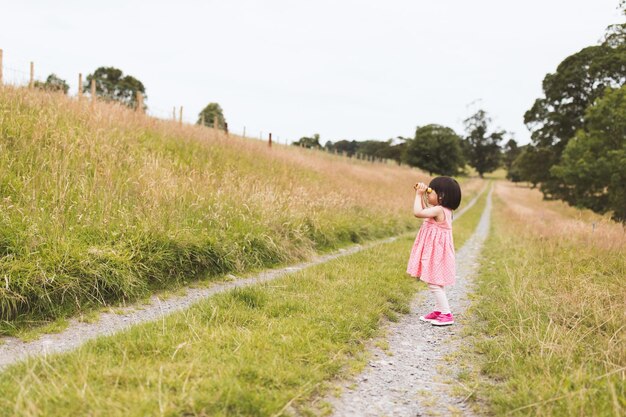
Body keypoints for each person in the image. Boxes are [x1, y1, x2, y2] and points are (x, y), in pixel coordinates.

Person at [406, 176, 461, 326]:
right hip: (437, 252)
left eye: (431, 192)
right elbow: (424, 210)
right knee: (437, 282)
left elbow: (418, 212)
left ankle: (446, 314)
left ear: (441, 196)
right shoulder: (443, 209)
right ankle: (438, 310)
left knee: (433, 283)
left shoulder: (438, 210)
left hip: (436, 254)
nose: (428, 194)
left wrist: (418, 195)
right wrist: (423, 194)